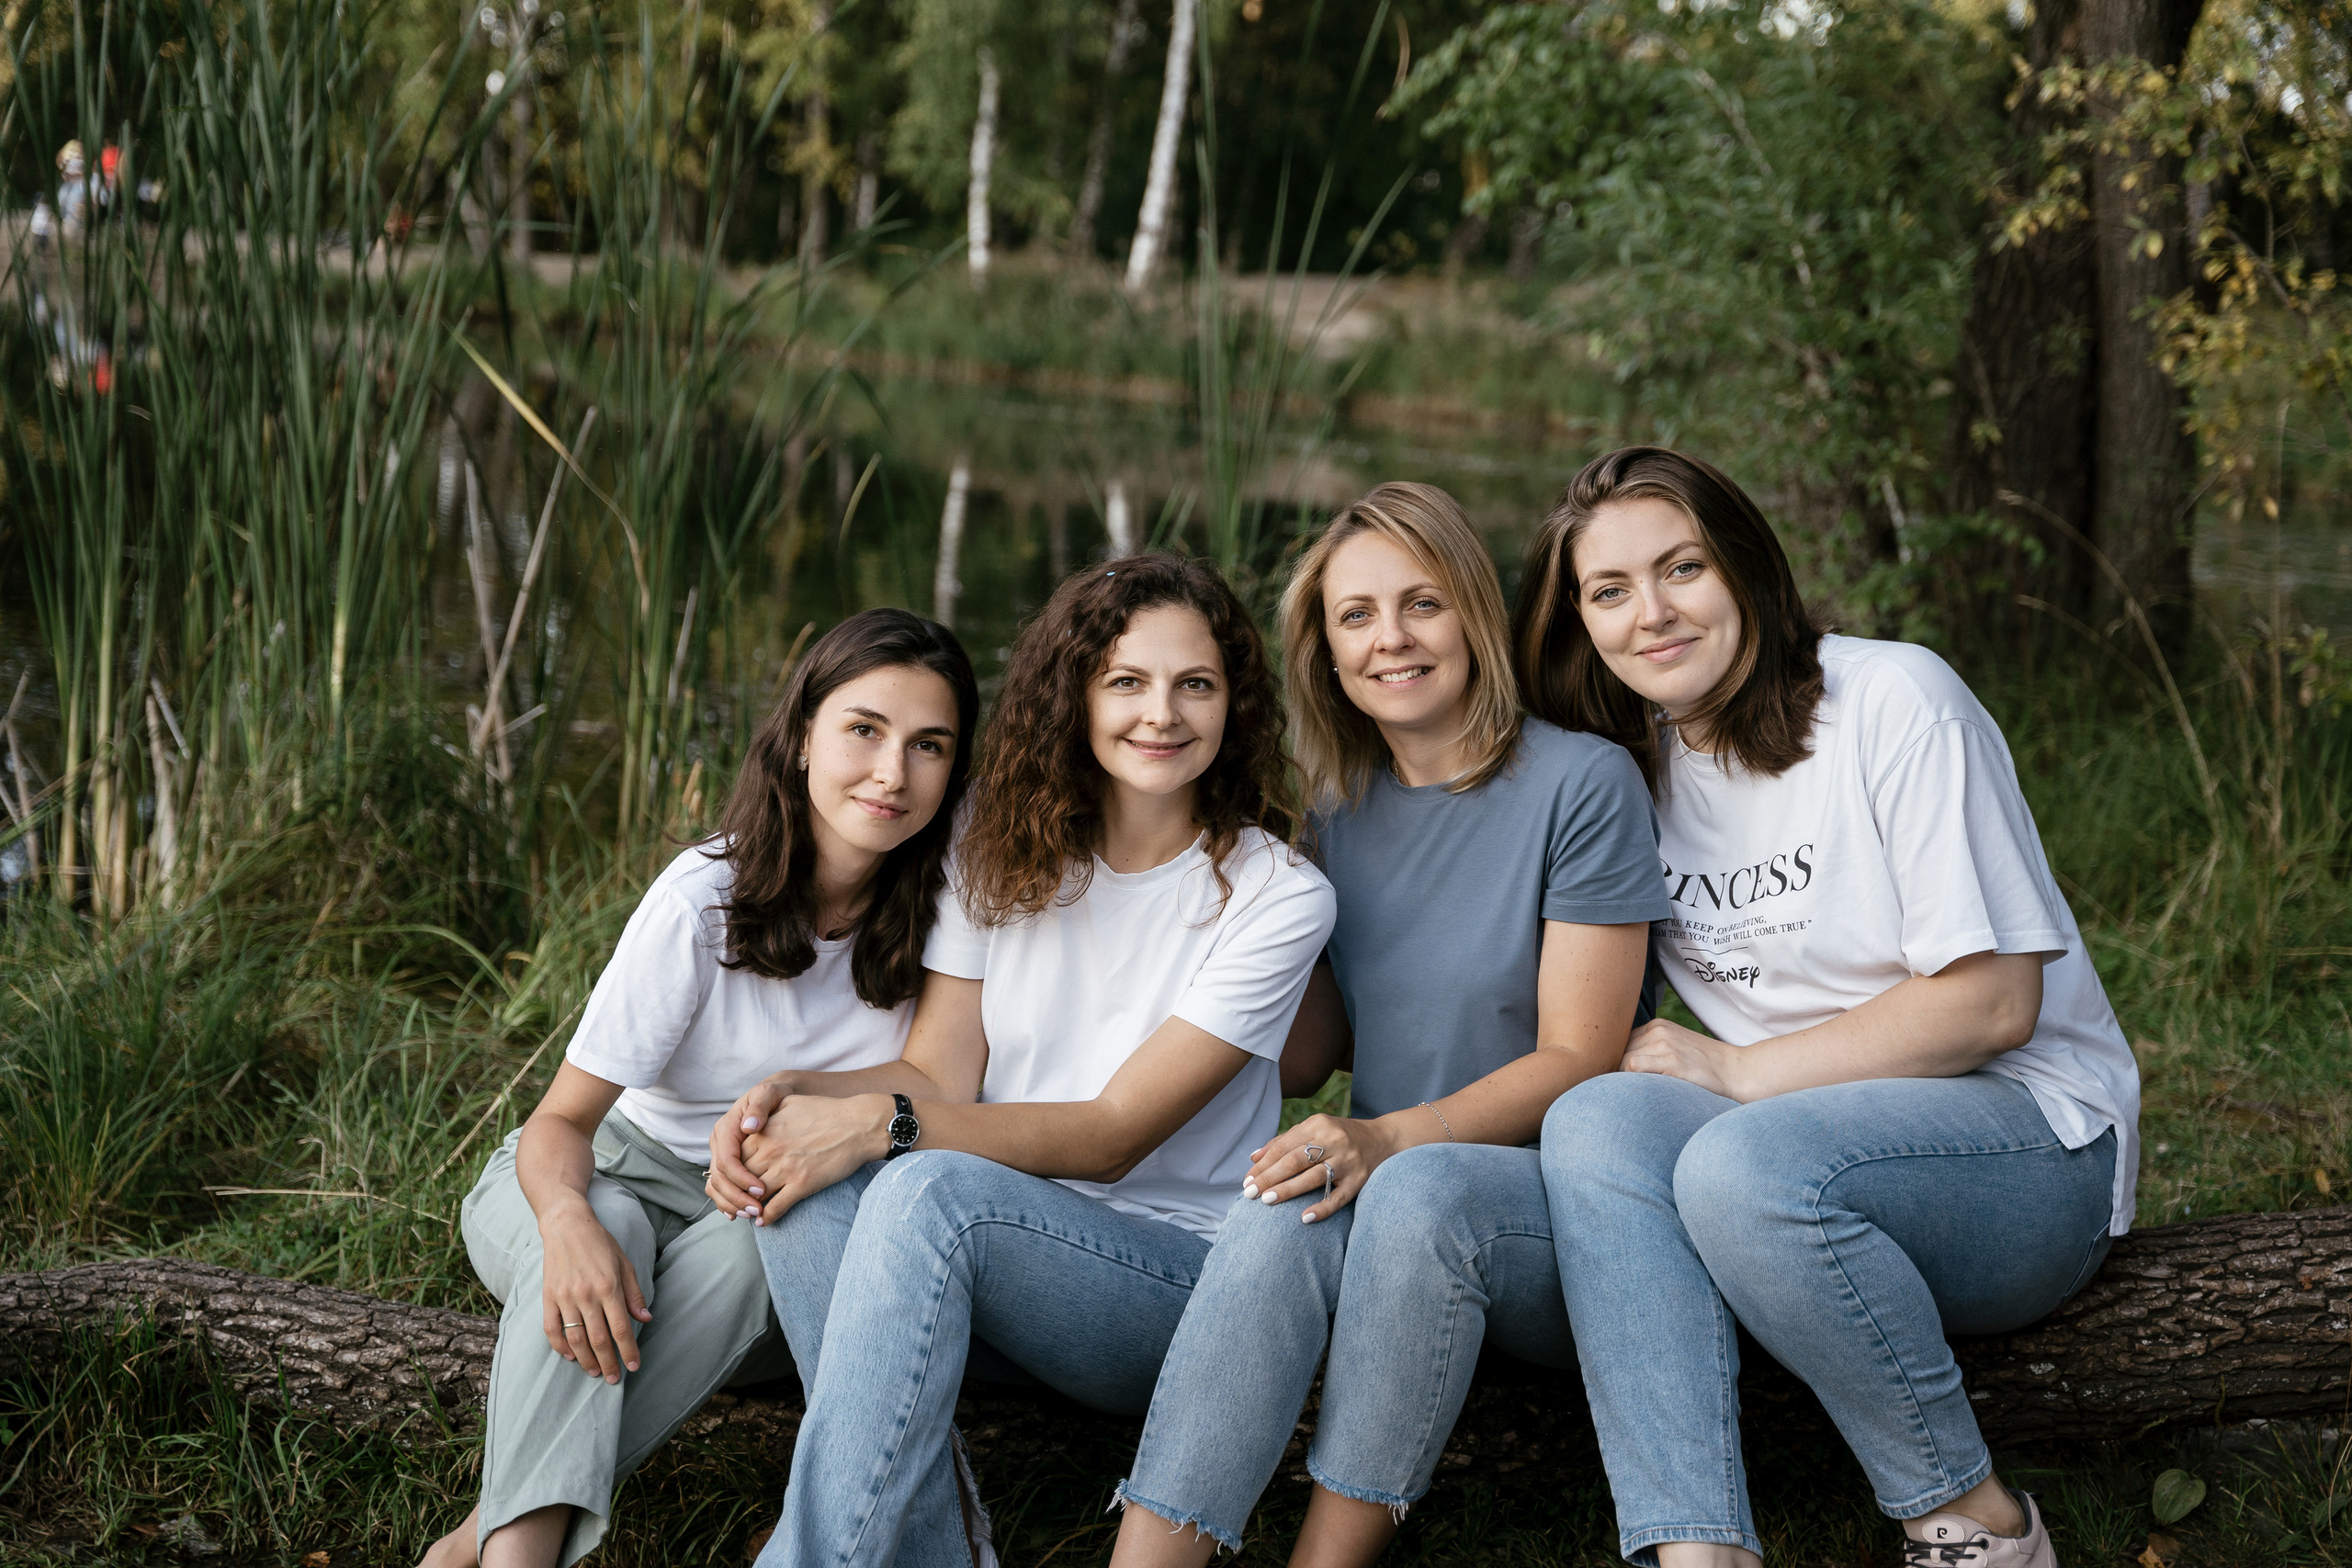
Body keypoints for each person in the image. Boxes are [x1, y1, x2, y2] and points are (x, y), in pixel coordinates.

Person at [1517, 447, 2140, 1568]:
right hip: (1793, 1144)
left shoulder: (1893, 699)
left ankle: (1971, 1525)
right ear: (1578, 623)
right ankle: (1699, 1550)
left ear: (1746, 566)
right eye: (1608, 591)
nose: (1649, 613)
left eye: (1682, 568)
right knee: (1596, 1121)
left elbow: (1996, 1000)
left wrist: (1742, 1074)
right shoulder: (1622, 770)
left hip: (2026, 1148)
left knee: (1739, 1167)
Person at [702, 554, 1337, 1568]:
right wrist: (795, 1100)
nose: (1161, 713)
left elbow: (1114, 1134)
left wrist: (882, 1127)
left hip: (1164, 1284)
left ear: (1235, 705)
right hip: (982, 1260)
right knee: (804, 1174)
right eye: (1126, 682)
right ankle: (940, 1547)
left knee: (922, 1190)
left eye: (1195, 685)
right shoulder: (995, 844)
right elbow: (939, 1079)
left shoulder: (1275, 896)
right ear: (1074, 695)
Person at [1110, 483, 1668, 1567]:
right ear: (1323, 647)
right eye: (1355, 615)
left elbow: (1580, 1055)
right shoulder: (1331, 812)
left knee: (1412, 1188)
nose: (1390, 640)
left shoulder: (1581, 783)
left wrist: (1386, 1138)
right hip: (1383, 1186)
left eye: (1421, 603)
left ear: (1474, 614)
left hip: (1557, 1209)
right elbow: (1311, 1051)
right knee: (1272, 1205)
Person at [418, 608, 979, 1568]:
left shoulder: (948, 908)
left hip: (757, 1214)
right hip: (589, 1174)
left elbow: (936, 1082)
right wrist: (567, 1225)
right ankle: (515, 1556)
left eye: (929, 746)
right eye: (864, 730)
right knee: (617, 1242)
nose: (893, 773)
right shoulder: (702, 899)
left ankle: (477, 1538)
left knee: (764, 1244)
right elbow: (560, 1123)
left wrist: (796, 1093)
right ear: (802, 734)